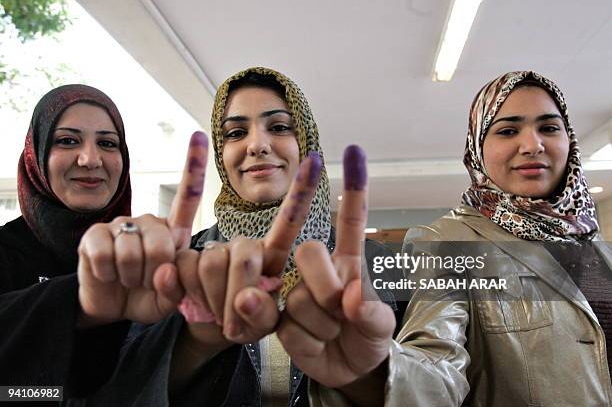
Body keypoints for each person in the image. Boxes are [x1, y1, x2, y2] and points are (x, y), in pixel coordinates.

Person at [74, 67, 404, 406]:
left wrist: (368, 380)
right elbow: (107, 395)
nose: (257, 145)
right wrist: (195, 342)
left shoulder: (377, 262)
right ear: (221, 153)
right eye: (235, 133)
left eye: (278, 127)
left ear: (305, 141)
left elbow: (439, 388)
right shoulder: (182, 262)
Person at [398, 71, 612, 405]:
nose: (532, 145)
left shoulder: (591, 239)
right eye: (508, 131)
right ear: (478, 147)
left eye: (549, 128)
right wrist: (380, 363)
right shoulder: (446, 241)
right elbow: (435, 361)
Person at [0, 84, 132, 397]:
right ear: (37, 154)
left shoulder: (139, 256)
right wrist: (82, 300)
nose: (90, 159)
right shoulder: (7, 251)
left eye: (107, 143)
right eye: (68, 140)